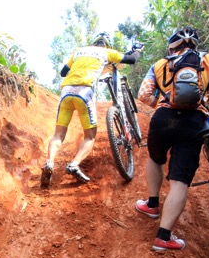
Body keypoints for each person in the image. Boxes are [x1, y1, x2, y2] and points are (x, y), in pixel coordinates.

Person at [135, 26, 209, 251]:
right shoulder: (206, 59)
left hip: (163, 118)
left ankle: (152, 205)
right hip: (194, 120)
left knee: (156, 159)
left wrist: (164, 101)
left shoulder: (159, 64)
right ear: (194, 45)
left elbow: (144, 95)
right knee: (179, 182)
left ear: (171, 46)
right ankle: (163, 238)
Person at [41, 33, 141, 187]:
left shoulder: (79, 50)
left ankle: (49, 162)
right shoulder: (107, 52)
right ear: (106, 44)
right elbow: (131, 59)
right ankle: (74, 164)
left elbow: (63, 72)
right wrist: (138, 50)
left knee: (58, 135)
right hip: (84, 92)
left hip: (66, 92)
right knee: (90, 137)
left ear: (93, 42)